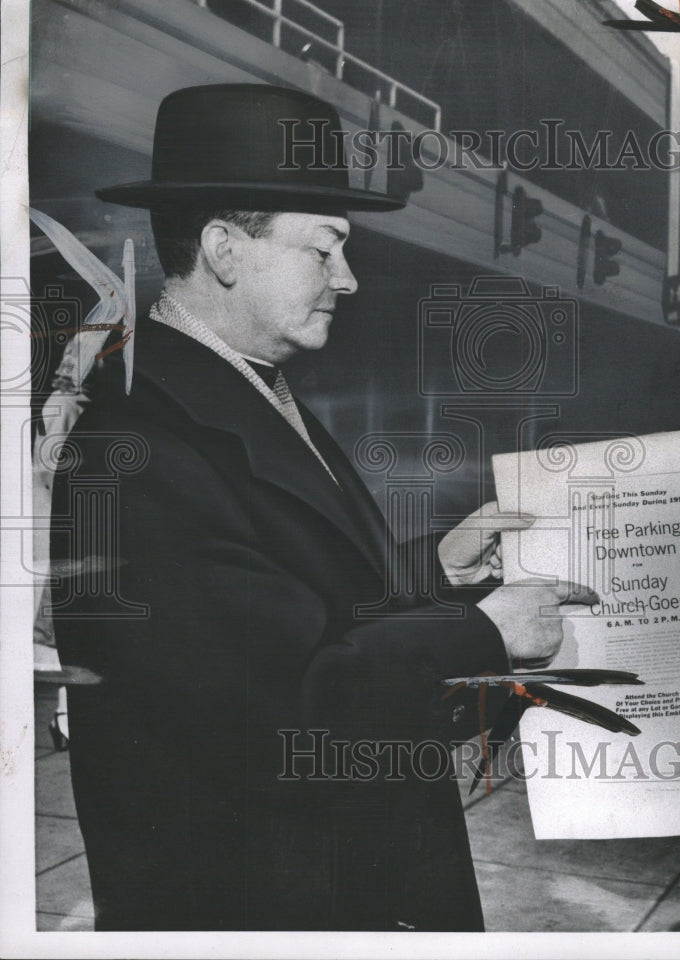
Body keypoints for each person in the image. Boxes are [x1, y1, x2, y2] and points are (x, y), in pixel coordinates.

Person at [49, 83, 592, 931]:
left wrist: (432, 567)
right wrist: (485, 633)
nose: (349, 278)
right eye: (324, 248)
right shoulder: (140, 444)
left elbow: (279, 599)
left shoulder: (232, 393)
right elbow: (281, 713)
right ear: (226, 251)